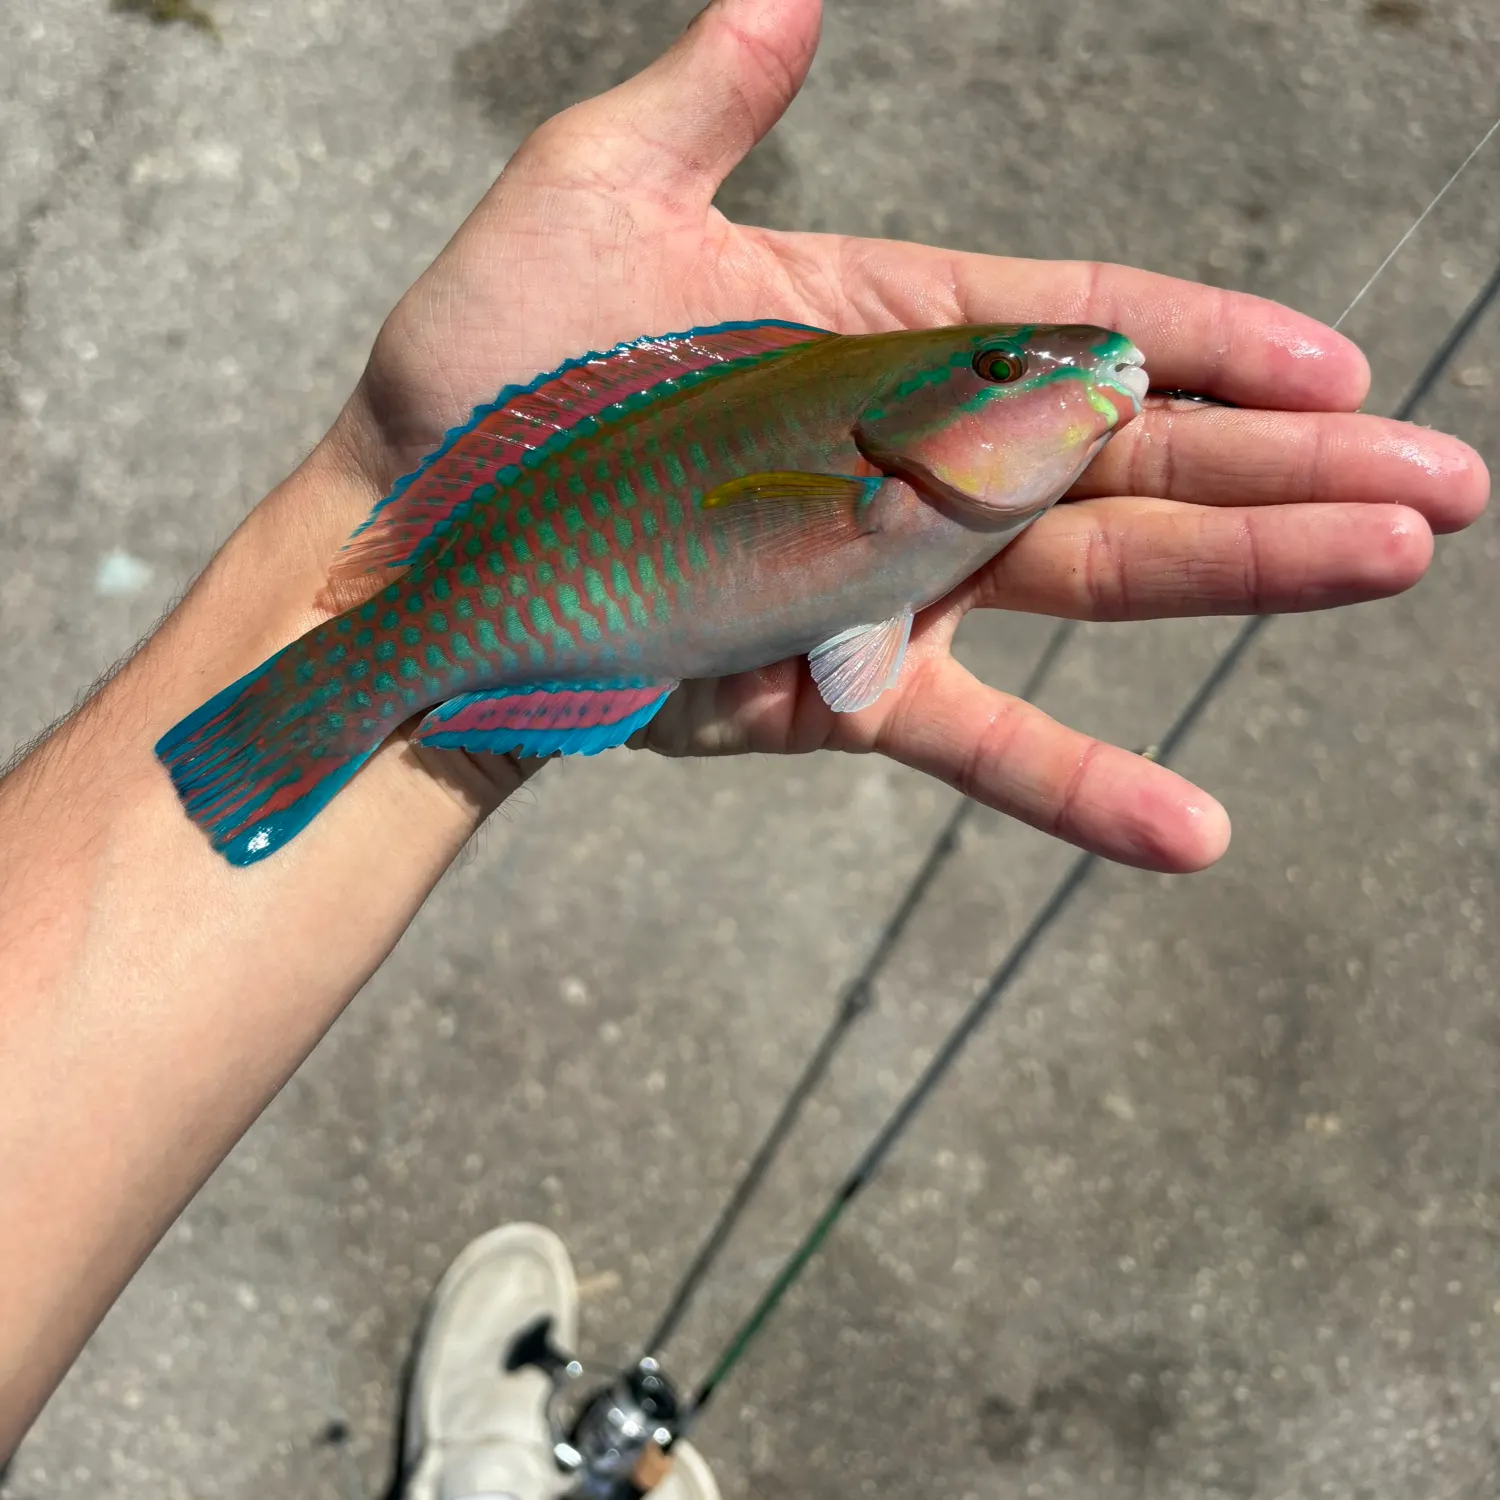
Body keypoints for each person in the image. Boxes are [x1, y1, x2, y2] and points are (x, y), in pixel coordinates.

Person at [0, 0, 1488, 1493]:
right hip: (489, 574)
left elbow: (853, 659)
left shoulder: (905, 475)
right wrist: (383, 554)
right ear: (912, 413)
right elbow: (843, 646)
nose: (1085, 375)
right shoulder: (867, 469)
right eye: (1008, 367)